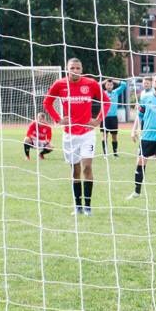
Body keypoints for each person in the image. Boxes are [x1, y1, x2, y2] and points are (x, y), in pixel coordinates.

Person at [42, 57, 110, 216]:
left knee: (87, 166)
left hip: (87, 134)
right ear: (67, 69)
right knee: (75, 170)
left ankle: (88, 206)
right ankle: (77, 206)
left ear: (82, 69)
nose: (75, 71)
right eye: (72, 68)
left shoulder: (91, 84)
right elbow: (47, 103)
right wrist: (58, 119)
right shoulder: (59, 84)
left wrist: (98, 119)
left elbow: (106, 102)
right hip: (69, 135)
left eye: (78, 68)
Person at [101, 78, 127, 156]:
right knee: (104, 136)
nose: (109, 86)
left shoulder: (116, 92)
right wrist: (104, 81)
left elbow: (124, 85)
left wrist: (114, 80)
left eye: (111, 85)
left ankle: (115, 152)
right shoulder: (103, 93)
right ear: (105, 86)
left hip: (113, 118)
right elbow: (96, 85)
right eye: (108, 85)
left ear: (113, 86)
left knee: (114, 136)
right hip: (105, 117)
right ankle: (105, 153)